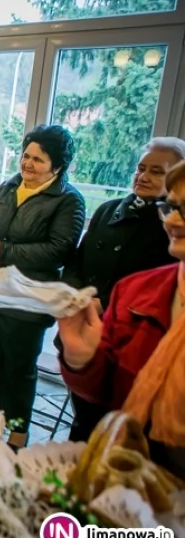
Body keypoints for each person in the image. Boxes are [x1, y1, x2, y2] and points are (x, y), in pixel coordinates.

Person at [57, 160, 185, 475]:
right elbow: (107, 394)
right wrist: (82, 360)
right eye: (170, 208)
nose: (173, 221)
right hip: (123, 470)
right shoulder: (137, 290)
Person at [0, 125, 86, 447]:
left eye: (38, 159)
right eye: (26, 156)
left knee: (18, 369)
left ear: (57, 166)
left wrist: (5, 251)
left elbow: (59, 250)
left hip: (28, 298)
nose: (28, 163)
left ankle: (18, 434)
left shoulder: (68, 200)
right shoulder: (10, 186)